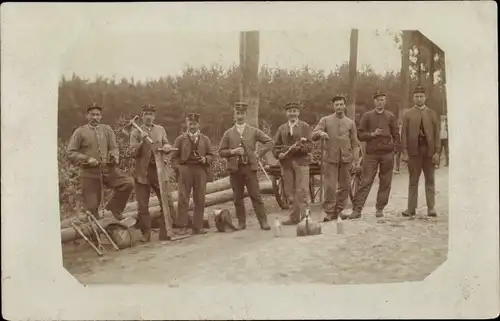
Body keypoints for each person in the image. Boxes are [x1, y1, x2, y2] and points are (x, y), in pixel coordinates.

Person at [67, 103, 134, 221]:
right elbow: (71, 152)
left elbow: (114, 147)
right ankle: (94, 235)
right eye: (92, 114)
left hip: (107, 169)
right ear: (87, 116)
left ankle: (115, 208)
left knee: (128, 183)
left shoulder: (107, 129)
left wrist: (114, 156)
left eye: (97, 115)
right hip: (89, 173)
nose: (95, 117)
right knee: (92, 209)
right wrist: (87, 159)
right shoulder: (80, 132)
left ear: (101, 116)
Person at [342, 91, 400, 220]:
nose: (380, 102)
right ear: (374, 101)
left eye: (382, 100)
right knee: (366, 181)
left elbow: (396, 135)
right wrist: (372, 134)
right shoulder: (367, 116)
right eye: (378, 100)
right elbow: (360, 135)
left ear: (385, 101)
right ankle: (357, 210)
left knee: (386, 181)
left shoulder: (390, 116)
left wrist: (394, 150)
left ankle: (380, 208)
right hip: (371, 154)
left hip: (387, 154)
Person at [218, 102, 274, 231]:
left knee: (256, 195)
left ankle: (263, 221)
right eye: (238, 113)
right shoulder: (228, 133)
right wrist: (232, 152)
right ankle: (241, 222)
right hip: (235, 170)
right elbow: (221, 152)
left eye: (242, 113)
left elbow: (270, 142)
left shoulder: (253, 131)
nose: (240, 116)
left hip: (250, 168)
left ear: (246, 115)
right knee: (237, 197)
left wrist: (258, 154)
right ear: (235, 115)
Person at [129, 104, 176, 242]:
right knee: (143, 205)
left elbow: (166, 143)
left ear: (154, 116)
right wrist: (142, 141)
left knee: (166, 202)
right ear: (142, 116)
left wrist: (167, 147)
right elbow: (132, 152)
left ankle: (165, 231)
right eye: (146, 114)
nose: (148, 116)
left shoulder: (160, 129)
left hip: (159, 171)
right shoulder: (135, 132)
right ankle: (146, 234)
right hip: (142, 173)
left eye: (151, 114)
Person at [312, 95, 361, 222]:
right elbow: (314, 134)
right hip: (330, 159)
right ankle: (329, 211)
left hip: (346, 159)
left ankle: (339, 210)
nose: (339, 107)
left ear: (345, 106)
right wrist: (320, 133)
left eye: (341, 104)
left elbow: (355, 143)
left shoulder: (350, 123)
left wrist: (356, 161)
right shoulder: (325, 120)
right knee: (330, 186)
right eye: (336, 105)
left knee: (345, 186)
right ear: (333, 107)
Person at [171, 112, 214, 235]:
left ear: (199, 125)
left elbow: (211, 155)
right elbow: (173, 157)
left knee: (200, 198)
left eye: (194, 124)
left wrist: (206, 159)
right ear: (186, 124)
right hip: (185, 169)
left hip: (200, 170)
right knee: (183, 198)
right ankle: (182, 226)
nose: (192, 126)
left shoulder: (205, 139)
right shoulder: (180, 139)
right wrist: (178, 168)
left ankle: (198, 226)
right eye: (190, 124)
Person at [401, 86, 441, 217]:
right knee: (413, 180)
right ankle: (411, 208)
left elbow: (436, 134)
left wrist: (437, 152)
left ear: (425, 97)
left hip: (429, 152)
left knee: (430, 179)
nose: (419, 99)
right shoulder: (408, 114)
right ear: (413, 98)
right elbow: (404, 135)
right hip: (414, 152)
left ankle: (431, 207)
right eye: (416, 96)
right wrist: (405, 152)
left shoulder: (432, 113)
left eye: (421, 96)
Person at [272, 102, 314, 225]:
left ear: (298, 113)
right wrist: (278, 153)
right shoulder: (282, 128)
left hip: (301, 163)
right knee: (289, 191)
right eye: (290, 111)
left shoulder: (305, 126)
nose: (292, 113)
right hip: (286, 164)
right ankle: (293, 217)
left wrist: (301, 149)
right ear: (287, 113)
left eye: (294, 111)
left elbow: (310, 145)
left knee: (302, 191)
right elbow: (276, 146)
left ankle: (306, 217)